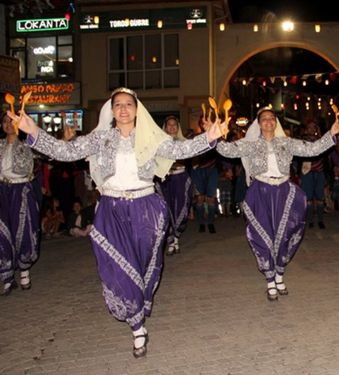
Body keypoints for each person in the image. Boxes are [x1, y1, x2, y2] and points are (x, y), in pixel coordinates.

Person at [9, 87, 226, 358]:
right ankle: (136, 326)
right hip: (111, 209)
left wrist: (211, 137)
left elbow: (181, 148)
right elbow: (66, 151)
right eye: (118, 105)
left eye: (128, 104)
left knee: (146, 263)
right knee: (117, 266)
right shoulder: (101, 138)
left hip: (146, 208)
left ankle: (141, 300)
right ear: (111, 110)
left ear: (137, 109)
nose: (123, 109)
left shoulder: (152, 138)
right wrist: (33, 131)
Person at [215, 107, 339, 301]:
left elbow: (312, 149)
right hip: (261, 192)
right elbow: (227, 150)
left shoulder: (286, 143)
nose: (268, 122)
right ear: (258, 124)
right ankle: (270, 280)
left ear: (276, 123)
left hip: (283, 191)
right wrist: (214, 135)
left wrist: (331, 133)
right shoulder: (250, 145)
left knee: (284, 235)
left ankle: (280, 274)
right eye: (264, 119)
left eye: (272, 118)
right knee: (263, 236)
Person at [0, 111, 40, 296]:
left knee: (22, 230)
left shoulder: (28, 145)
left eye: (12, 121)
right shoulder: (0, 145)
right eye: (5, 121)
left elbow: (48, 152)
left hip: (21, 190)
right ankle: (7, 276)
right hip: (2, 191)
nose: (8, 124)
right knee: (3, 233)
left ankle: (24, 271)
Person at [157, 115, 192, 255]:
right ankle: (172, 241)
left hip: (180, 178)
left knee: (181, 209)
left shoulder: (184, 143)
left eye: (174, 125)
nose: (172, 127)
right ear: (165, 127)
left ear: (178, 127)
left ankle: (175, 236)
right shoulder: (159, 144)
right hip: (164, 180)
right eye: (169, 125)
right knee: (166, 210)